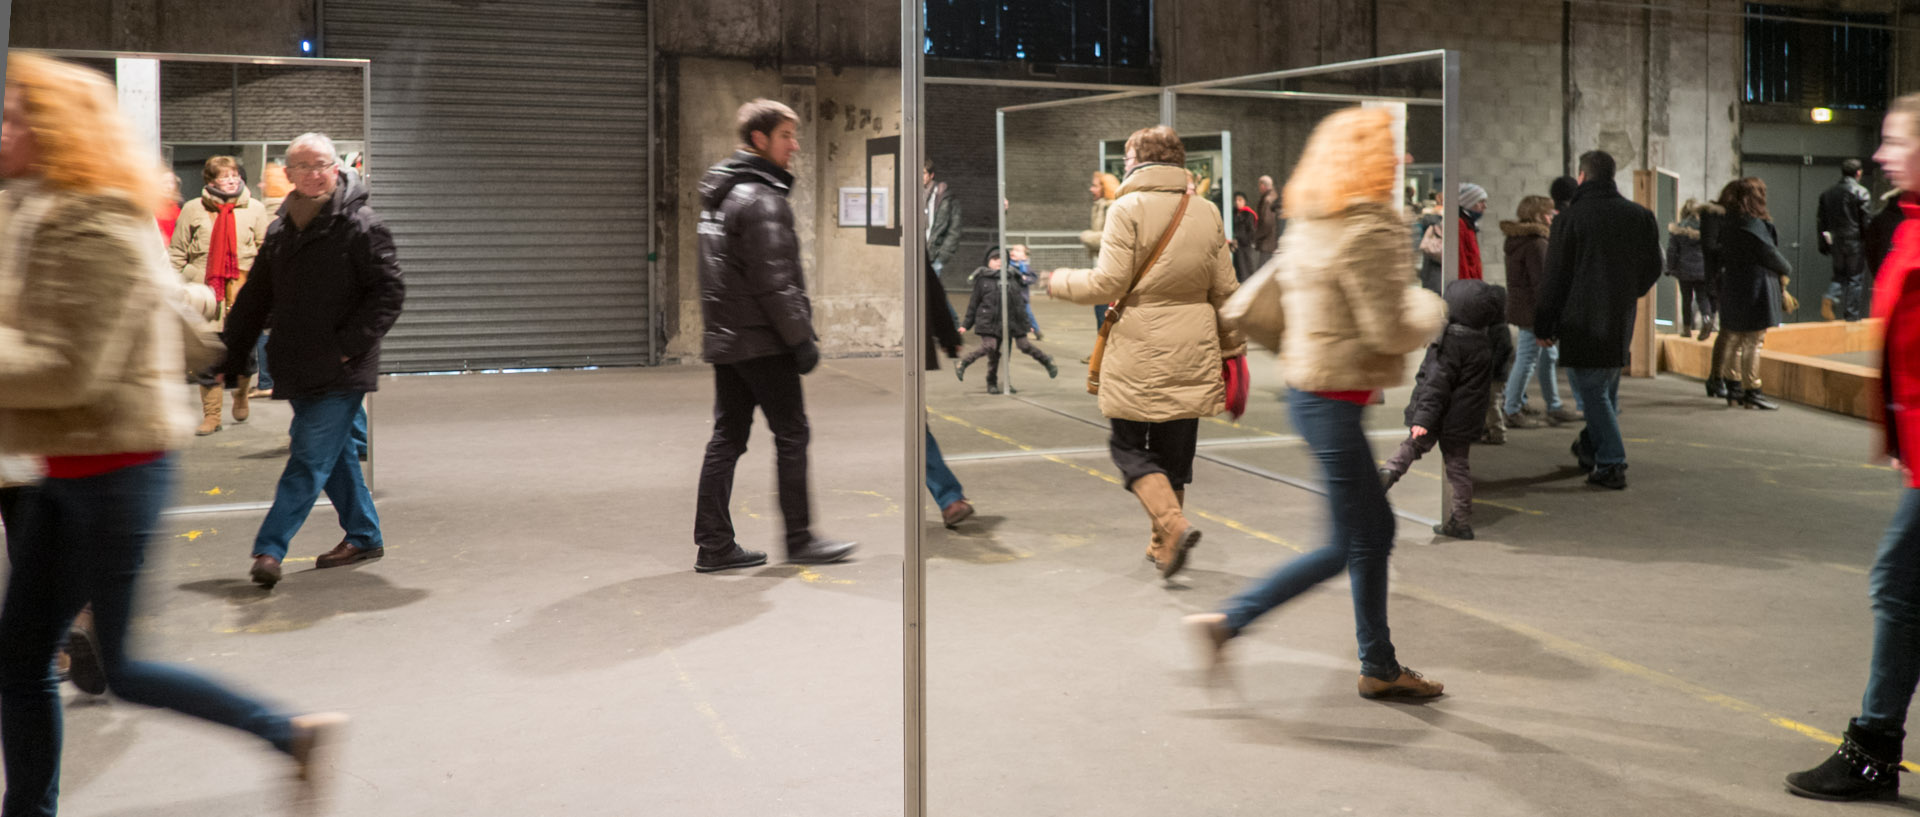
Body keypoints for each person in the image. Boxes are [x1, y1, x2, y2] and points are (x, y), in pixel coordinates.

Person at [0, 54, 346, 815]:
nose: (4, 128)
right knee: (21, 659)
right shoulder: (38, 207)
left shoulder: (96, 220)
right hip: (67, 464)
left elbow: (67, 370)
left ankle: (287, 732)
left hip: (115, 468)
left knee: (121, 667)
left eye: (18, 115)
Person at [1184, 107, 1447, 699]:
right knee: (1347, 543)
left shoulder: (1314, 220)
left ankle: (1378, 665)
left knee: (1369, 534)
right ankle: (1229, 622)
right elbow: (1387, 328)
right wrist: (1434, 308)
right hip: (1332, 399)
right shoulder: (1370, 228)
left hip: (1312, 394)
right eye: (1392, 151)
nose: (1401, 160)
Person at [1784, 92, 1920, 802]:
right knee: (1900, 588)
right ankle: (1872, 745)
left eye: (1895, 139)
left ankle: (1871, 748)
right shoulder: (1906, 223)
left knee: (1898, 587)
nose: (1879, 153)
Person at [1048, 125, 1245, 580]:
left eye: (1128, 155)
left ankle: (1172, 526)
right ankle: (1162, 547)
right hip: (1194, 344)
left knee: (1129, 447)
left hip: (1139, 345)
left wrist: (1059, 282)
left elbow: (1108, 284)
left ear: (1141, 159)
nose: (1124, 163)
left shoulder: (1126, 208)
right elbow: (1225, 289)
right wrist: (1233, 349)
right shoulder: (1207, 210)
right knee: (1175, 453)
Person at [216, 132, 406, 589]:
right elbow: (257, 296)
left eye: (323, 164)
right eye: (305, 167)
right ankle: (363, 534)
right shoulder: (282, 228)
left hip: (342, 367)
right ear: (289, 175)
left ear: (336, 168)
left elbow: (389, 293)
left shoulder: (362, 224)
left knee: (307, 455)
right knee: (333, 455)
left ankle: (269, 548)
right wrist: (231, 352)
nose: (315, 173)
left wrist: (347, 345)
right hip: (297, 363)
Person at [687, 99, 856, 574]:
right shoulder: (760, 198)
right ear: (759, 139)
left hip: (729, 339)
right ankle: (800, 540)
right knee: (792, 433)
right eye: (786, 136)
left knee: (728, 437)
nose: (795, 146)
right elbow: (775, 278)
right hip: (763, 340)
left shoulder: (720, 197)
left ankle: (714, 544)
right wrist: (800, 338)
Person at [1532, 150, 1664, 490]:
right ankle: (1589, 447)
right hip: (1619, 317)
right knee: (1605, 390)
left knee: (1593, 392)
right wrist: (1629, 292)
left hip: (1580, 319)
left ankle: (1611, 462)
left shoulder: (1570, 219)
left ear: (1581, 177)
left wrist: (1544, 323)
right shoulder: (1640, 216)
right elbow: (1654, 266)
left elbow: (1555, 277)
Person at [1381, 279, 1504, 539]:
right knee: (1458, 468)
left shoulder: (1448, 343)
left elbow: (1436, 385)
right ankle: (1460, 521)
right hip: (1463, 421)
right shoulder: (1484, 343)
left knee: (1412, 445)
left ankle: (1389, 472)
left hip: (1436, 415)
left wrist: (1423, 418)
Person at [172, 155, 272, 436]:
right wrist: (176, 282)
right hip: (204, 292)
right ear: (211, 181)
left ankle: (240, 393)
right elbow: (178, 251)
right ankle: (212, 415)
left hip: (242, 290)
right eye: (223, 176)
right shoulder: (193, 209)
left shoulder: (254, 208)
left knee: (244, 353)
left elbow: (266, 249)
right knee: (207, 355)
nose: (230, 180)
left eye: (233, 175)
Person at [1501, 195, 1580, 428]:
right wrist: (1550, 313)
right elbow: (1543, 284)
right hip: (1533, 311)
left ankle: (1553, 405)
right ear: (1537, 215)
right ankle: (1511, 409)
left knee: (1547, 356)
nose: (1552, 216)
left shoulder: (1521, 239)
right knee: (1527, 358)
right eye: (1548, 213)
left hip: (1526, 307)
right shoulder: (1536, 243)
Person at [1715, 177, 1791, 411]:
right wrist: (1786, 269)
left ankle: (1734, 388)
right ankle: (1753, 390)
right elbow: (1770, 255)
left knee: (1734, 339)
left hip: (1733, 285)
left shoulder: (1727, 222)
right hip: (1755, 286)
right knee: (1753, 342)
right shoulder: (1752, 225)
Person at [959, 247, 1058, 394]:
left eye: (1002, 259)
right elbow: (974, 303)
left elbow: (1019, 303)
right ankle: (978, 373)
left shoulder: (1011, 278)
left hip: (1012, 321)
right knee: (991, 349)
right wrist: (966, 324)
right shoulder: (983, 280)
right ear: (988, 262)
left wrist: (1027, 324)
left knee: (1023, 346)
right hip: (989, 322)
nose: (999, 261)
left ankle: (1046, 361)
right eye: (995, 259)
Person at [923, 257, 974, 528]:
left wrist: (948, 335)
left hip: (906, 341)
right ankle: (949, 498)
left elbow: (928, 283)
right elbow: (930, 283)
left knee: (913, 426)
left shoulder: (908, 232)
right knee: (912, 426)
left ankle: (950, 499)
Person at [1819, 158, 1874, 322]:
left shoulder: (1828, 194)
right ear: (1858, 173)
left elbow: (1821, 221)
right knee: (1855, 279)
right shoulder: (1861, 192)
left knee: (1839, 275)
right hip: (1855, 241)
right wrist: (1870, 242)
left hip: (1836, 240)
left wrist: (1823, 244)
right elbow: (1866, 220)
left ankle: (1830, 295)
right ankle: (1851, 316)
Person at [1700, 181, 1740, 399]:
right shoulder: (1713, 214)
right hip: (1720, 277)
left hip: (1736, 277)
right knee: (1728, 331)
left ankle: (1725, 378)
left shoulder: (1743, 216)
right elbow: (1709, 246)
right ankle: (1717, 378)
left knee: (1734, 331)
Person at [1666, 199, 1716, 341]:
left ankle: (1687, 329)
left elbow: (1672, 251)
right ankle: (1707, 319)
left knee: (1686, 299)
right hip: (1702, 270)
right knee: (1702, 297)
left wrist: (1670, 268)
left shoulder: (1679, 228)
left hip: (1684, 271)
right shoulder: (1706, 229)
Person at [925, 159, 962, 279]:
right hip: (912, 256)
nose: (919, 177)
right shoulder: (910, 195)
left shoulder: (945, 197)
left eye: (923, 173)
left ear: (931, 175)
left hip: (934, 257)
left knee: (931, 293)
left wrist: (942, 257)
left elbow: (954, 229)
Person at [1009, 243, 1043, 340]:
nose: (1013, 251)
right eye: (1013, 249)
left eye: (1017, 250)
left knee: (1028, 314)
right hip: (1010, 296)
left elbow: (1033, 278)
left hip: (1022, 298)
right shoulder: (1007, 266)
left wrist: (1024, 278)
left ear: (1024, 256)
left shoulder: (1026, 267)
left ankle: (1037, 331)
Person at [1456, 182, 1487, 281]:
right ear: (1469, 201)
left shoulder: (1469, 223)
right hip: (1468, 285)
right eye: (1481, 201)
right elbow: (1462, 261)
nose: (1484, 206)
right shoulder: (1460, 224)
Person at [1252, 174, 1282, 267]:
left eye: (1259, 185)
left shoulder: (1267, 200)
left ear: (1262, 186)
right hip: (1271, 242)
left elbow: (1267, 223)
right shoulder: (1273, 197)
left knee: (1262, 271)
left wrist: (1257, 236)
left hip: (1267, 243)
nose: (1259, 188)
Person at [1230, 191, 1259, 281]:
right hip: (1236, 246)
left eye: (1240, 200)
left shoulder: (1248, 214)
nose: (1237, 202)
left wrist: (1244, 239)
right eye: (1236, 200)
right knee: (1238, 268)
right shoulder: (1233, 213)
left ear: (1244, 201)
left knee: (1245, 268)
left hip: (1245, 245)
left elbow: (1251, 231)